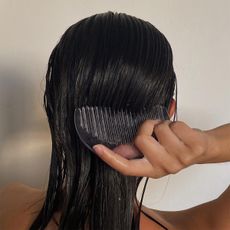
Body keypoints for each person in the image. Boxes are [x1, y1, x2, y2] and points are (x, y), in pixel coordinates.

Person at [0, 11, 229, 230]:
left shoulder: (9, 204)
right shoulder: (203, 225)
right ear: (168, 112)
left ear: (54, 108)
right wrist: (208, 145)